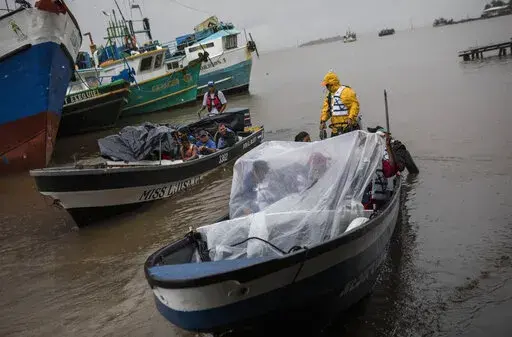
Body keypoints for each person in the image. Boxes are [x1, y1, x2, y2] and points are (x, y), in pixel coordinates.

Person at [362, 127, 398, 210]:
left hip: (377, 204)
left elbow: (391, 170)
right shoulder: (360, 164)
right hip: (362, 204)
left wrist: (388, 147)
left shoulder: (380, 163)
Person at [320, 71, 361, 137]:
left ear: (331, 84)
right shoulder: (329, 96)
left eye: (327, 85)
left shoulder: (346, 91)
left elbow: (354, 105)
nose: (326, 87)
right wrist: (323, 121)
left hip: (348, 128)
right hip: (335, 130)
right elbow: (326, 110)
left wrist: (350, 118)